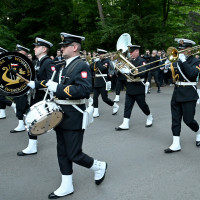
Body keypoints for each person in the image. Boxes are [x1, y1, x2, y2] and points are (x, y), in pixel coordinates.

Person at [45, 32, 107, 199]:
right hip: (60, 114)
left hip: (74, 114)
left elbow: (84, 90)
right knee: (62, 151)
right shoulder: (63, 65)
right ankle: (67, 185)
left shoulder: (82, 65)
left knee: (74, 153)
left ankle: (98, 166)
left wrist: (57, 88)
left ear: (74, 47)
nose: (61, 48)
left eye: (64, 46)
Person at [17, 37, 55, 156]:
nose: (34, 48)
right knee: (31, 120)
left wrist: (36, 84)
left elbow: (51, 80)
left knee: (46, 122)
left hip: (44, 96)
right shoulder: (38, 62)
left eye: (37, 46)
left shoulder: (48, 62)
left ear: (44, 49)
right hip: (36, 95)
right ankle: (32, 146)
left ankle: (32, 146)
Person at [164, 38, 200, 153]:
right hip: (177, 92)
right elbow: (172, 77)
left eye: (183, 49)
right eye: (179, 49)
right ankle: (176, 143)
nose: (180, 51)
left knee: (188, 120)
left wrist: (184, 62)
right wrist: (166, 68)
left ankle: (198, 132)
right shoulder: (177, 60)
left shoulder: (196, 61)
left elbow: (192, 74)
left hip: (189, 93)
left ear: (189, 50)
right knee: (175, 119)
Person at [115, 44, 153, 131]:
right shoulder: (130, 61)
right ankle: (125, 123)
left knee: (142, 105)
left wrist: (130, 71)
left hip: (138, 86)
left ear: (137, 51)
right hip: (130, 86)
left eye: (132, 52)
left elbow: (143, 73)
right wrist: (122, 70)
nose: (130, 54)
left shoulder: (142, 61)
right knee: (127, 105)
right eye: (130, 52)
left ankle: (149, 116)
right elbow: (125, 73)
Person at [90, 48, 119, 117]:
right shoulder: (98, 61)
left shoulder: (107, 61)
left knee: (105, 99)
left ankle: (115, 105)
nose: (98, 56)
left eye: (100, 55)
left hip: (103, 81)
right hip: (97, 80)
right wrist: (94, 62)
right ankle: (96, 111)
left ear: (103, 55)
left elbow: (102, 69)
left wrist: (97, 62)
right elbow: (91, 67)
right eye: (98, 55)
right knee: (95, 97)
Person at [10, 44, 30, 133]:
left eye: (20, 51)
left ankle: (24, 124)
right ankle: (22, 124)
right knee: (20, 105)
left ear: (24, 53)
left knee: (22, 106)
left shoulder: (26, 63)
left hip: (24, 88)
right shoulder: (16, 62)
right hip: (17, 88)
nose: (18, 53)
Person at [0, 47, 16, 119]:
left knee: (1, 97)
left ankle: (13, 105)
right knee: (1, 97)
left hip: (3, 81)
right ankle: (2, 113)